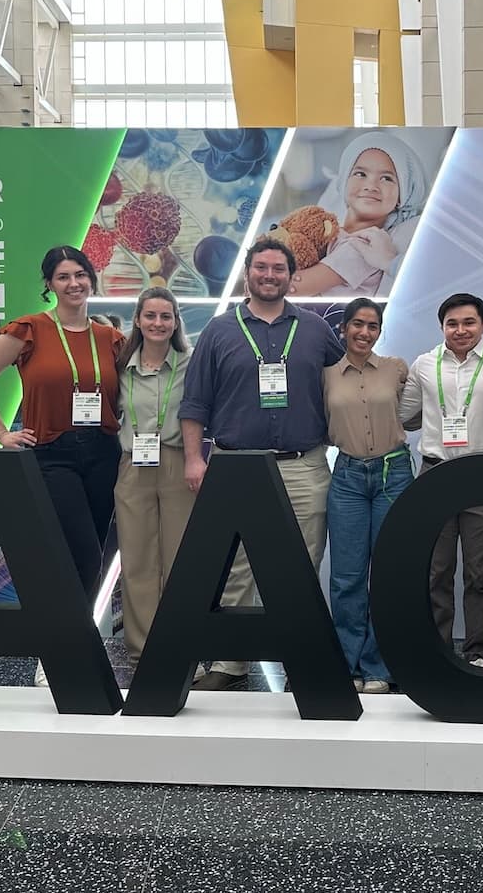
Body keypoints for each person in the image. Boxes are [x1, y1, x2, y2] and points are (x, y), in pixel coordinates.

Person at [178, 238, 345, 690]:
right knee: (237, 566)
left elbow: (345, 388)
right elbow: (194, 402)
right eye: (261, 268)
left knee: (303, 565)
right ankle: (230, 663)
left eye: (278, 269)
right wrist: (195, 458)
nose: (269, 275)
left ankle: (301, 659)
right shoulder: (218, 330)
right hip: (237, 467)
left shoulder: (314, 329)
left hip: (303, 465)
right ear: (248, 273)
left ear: (291, 277)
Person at [0, 246, 123, 602]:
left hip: (103, 453)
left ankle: (71, 637)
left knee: (96, 554)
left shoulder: (109, 337)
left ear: (91, 280)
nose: (73, 283)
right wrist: (2, 433)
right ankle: (69, 638)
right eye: (63, 277)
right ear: (49, 284)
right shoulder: (29, 330)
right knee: (78, 552)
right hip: (52, 455)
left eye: (80, 275)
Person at [399, 292, 483, 668]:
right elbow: (405, 414)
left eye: (469, 323)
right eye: (452, 323)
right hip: (436, 473)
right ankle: (438, 652)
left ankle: (477, 653)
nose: (460, 330)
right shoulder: (424, 364)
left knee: (480, 573)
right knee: (437, 571)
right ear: (442, 326)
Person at [323, 298, 412, 694]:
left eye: (372, 326)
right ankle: (347, 663)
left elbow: (412, 412)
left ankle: (379, 664)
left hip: (394, 474)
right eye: (357, 324)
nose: (364, 332)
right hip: (347, 477)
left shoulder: (396, 369)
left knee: (390, 571)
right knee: (346, 577)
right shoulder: (326, 375)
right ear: (343, 328)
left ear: (379, 331)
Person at [112, 287, 192, 665]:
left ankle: (178, 647)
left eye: (166, 316)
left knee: (180, 559)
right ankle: (143, 651)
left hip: (177, 463)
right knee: (138, 559)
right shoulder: (120, 366)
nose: (158, 323)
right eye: (151, 316)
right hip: (133, 466)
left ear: (175, 322)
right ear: (138, 320)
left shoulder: (190, 363)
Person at [287, 131, 431, 298]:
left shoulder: (364, 246)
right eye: (361, 174)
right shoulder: (329, 232)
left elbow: (295, 287)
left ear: (403, 196)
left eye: (386, 178)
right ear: (344, 183)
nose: (371, 185)